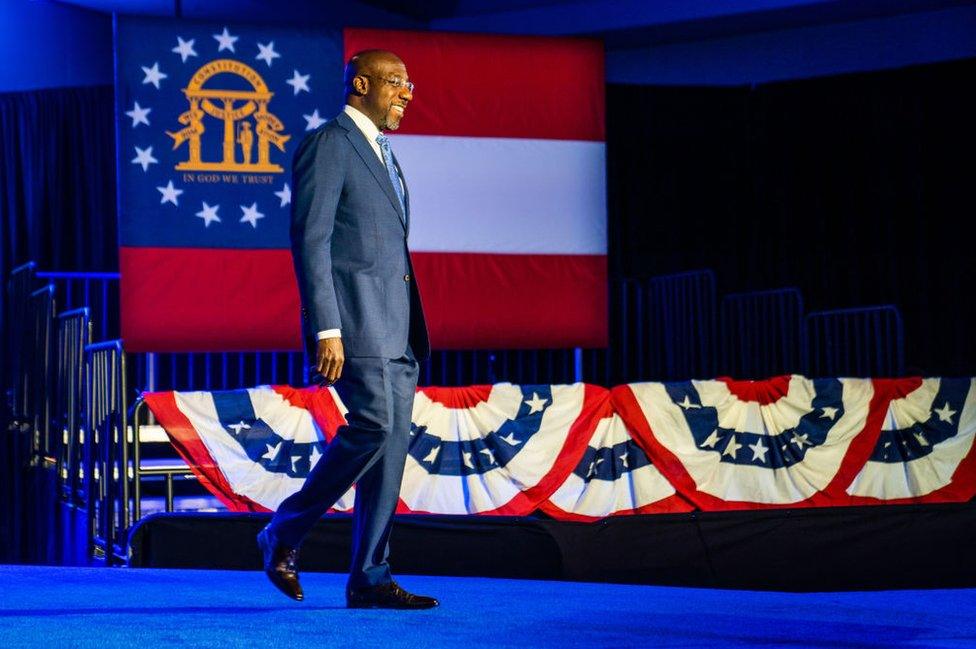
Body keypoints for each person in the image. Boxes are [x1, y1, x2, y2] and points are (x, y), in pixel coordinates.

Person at [257, 49, 435, 609]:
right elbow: (312, 239)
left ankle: (371, 578)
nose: (407, 93)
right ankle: (283, 531)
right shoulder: (330, 143)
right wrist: (326, 328)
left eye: (409, 84)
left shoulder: (385, 153)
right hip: (355, 322)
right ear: (362, 84)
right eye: (396, 83)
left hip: (399, 328)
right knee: (375, 426)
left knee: (389, 449)